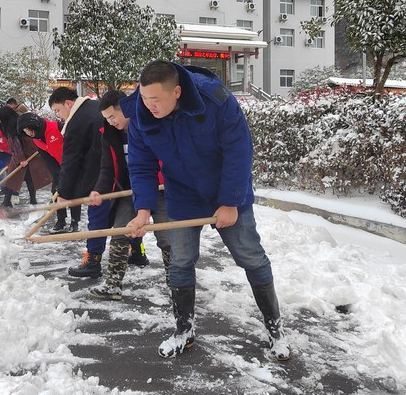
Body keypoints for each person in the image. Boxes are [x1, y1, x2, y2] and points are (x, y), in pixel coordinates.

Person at [122, 60, 291, 361]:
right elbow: (140, 165)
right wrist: (143, 209)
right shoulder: (140, 112)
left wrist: (230, 201)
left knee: (251, 257)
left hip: (225, 190)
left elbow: (239, 148)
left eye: (156, 100)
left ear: (176, 91)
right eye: (145, 99)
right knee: (180, 262)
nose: (149, 107)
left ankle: (275, 328)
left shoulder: (214, 99)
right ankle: (183, 329)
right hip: (183, 196)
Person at [88, 90, 170, 301]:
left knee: (168, 237)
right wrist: (99, 190)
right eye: (106, 118)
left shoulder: (148, 124)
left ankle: (176, 285)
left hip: (161, 188)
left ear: (124, 109)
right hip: (130, 190)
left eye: (112, 116)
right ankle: (114, 284)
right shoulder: (108, 134)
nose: (111, 122)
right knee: (120, 232)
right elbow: (107, 168)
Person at [48, 87, 109, 278]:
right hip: (120, 171)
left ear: (68, 103)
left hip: (101, 177)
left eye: (58, 110)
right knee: (124, 215)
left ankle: (93, 261)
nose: (59, 116)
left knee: (97, 217)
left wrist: (64, 192)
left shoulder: (77, 121)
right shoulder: (97, 106)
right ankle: (138, 252)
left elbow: (71, 159)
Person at [17, 111, 78, 231]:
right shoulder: (37, 140)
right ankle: (61, 220)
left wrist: (71, 167)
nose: (28, 132)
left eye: (28, 129)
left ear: (35, 125)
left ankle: (74, 222)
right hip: (59, 168)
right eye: (25, 131)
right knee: (56, 192)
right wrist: (58, 174)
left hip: (73, 165)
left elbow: (75, 145)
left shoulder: (57, 128)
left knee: (73, 193)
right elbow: (47, 159)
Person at [0, 105, 53, 207]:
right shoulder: (12, 124)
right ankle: (7, 201)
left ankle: (32, 201)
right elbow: (15, 146)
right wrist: (20, 159)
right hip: (20, 153)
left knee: (28, 177)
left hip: (30, 152)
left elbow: (16, 143)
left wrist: (22, 159)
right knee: (12, 177)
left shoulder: (15, 125)